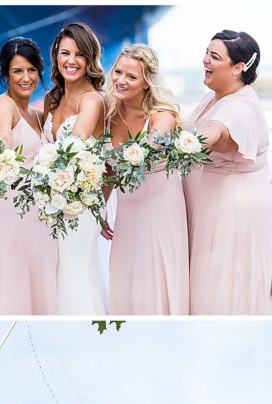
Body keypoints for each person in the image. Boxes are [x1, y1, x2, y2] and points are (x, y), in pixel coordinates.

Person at [183, 30, 272, 314]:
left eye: (214, 56)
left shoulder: (241, 107)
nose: (205, 60)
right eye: (206, 53)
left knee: (221, 287)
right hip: (215, 205)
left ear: (238, 68)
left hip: (231, 212)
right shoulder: (214, 98)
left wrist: (186, 144)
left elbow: (215, 131)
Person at [103, 44, 189, 315]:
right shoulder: (108, 116)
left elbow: (151, 149)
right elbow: (109, 170)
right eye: (118, 72)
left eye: (131, 77)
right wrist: (101, 208)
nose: (121, 80)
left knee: (155, 280)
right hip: (127, 212)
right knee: (127, 282)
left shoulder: (163, 116)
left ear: (146, 82)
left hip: (160, 211)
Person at [0, 37, 57, 314]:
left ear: (40, 71)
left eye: (31, 70)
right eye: (17, 71)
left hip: (43, 209)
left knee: (42, 275)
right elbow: (2, 143)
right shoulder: (3, 105)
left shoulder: (39, 114)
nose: (25, 77)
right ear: (5, 74)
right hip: (14, 205)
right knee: (16, 279)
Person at [43, 22, 107, 314]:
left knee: (76, 273)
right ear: (56, 54)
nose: (71, 61)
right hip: (51, 202)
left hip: (81, 205)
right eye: (65, 52)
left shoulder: (92, 100)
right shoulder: (51, 99)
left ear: (89, 59)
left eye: (79, 54)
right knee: (56, 275)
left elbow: (74, 149)